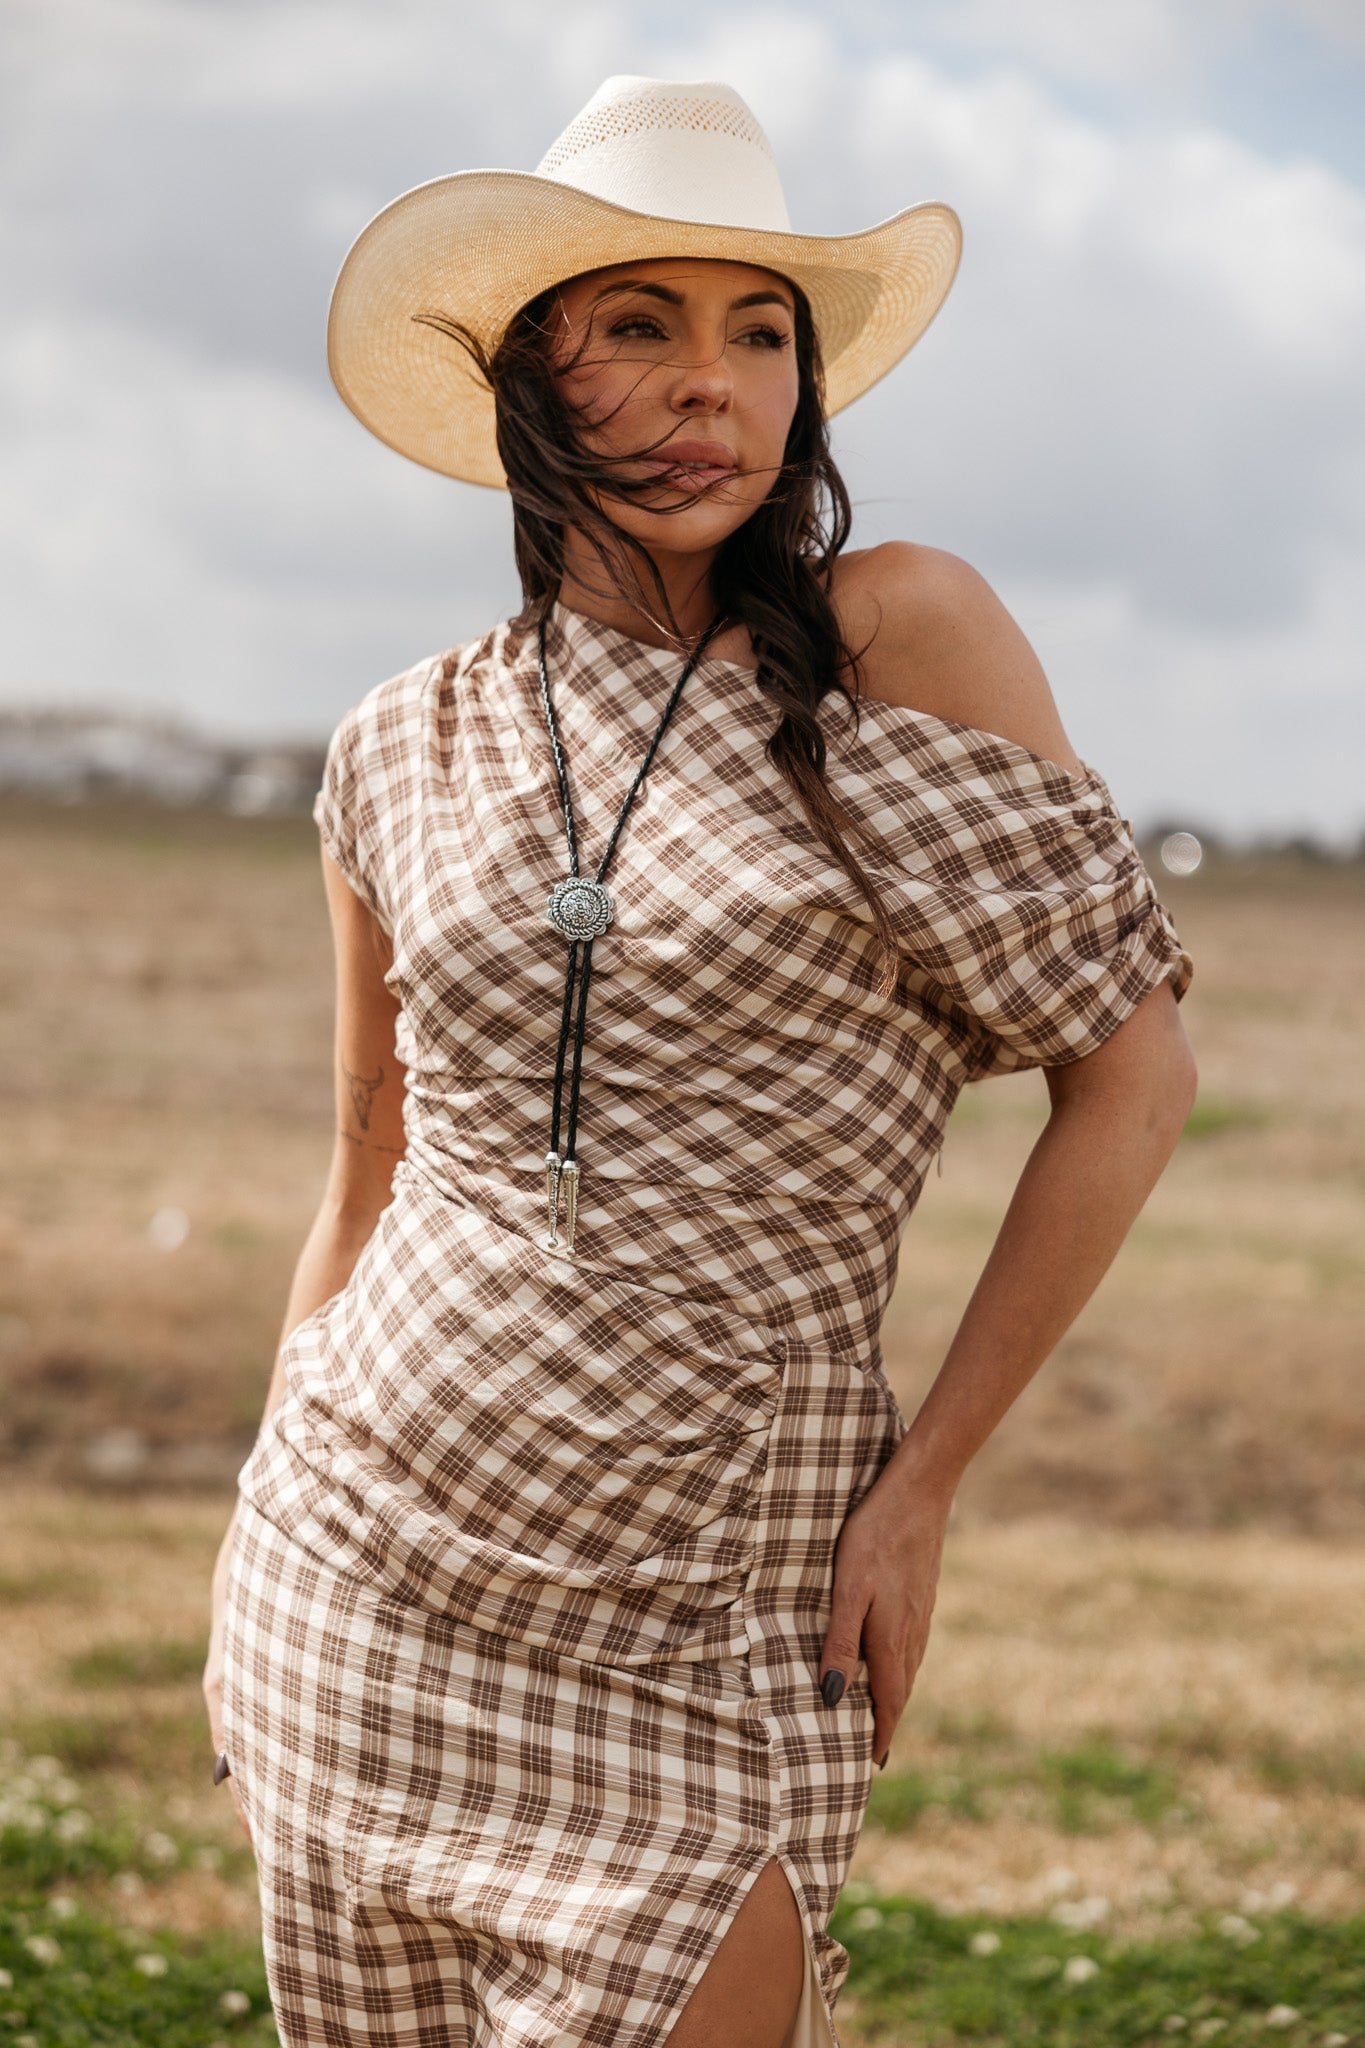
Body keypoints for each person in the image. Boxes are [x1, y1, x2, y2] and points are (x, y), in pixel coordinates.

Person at [203, 73, 1195, 2048]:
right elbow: (363, 1170)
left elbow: (1132, 1077)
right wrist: (257, 1528)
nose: (707, 391)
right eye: (635, 328)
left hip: (711, 1611)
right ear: (521, 380)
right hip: (355, 1580)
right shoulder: (396, 742)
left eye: (758, 336)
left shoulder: (890, 640)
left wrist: (921, 1487)